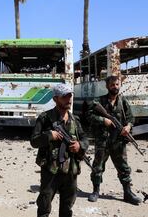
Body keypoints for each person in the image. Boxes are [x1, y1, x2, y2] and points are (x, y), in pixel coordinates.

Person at [31, 83, 89, 217]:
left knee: (67, 207)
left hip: (70, 171)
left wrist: (80, 145)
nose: (69, 99)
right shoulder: (45, 118)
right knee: (45, 205)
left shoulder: (75, 119)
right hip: (51, 170)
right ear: (55, 99)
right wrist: (49, 136)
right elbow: (34, 141)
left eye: (70, 96)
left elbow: (85, 138)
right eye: (64, 97)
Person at [87, 76, 141, 205]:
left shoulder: (123, 102)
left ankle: (127, 193)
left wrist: (128, 126)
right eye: (112, 85)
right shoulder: (99, 101)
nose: (115, 87)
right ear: (107, 86)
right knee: (97, 168)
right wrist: (103, 120)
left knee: (124, 168)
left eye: (117, 84)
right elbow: (89, 115)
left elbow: (130, 118)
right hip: (103, 141)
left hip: (118, 141)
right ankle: (95, 191)